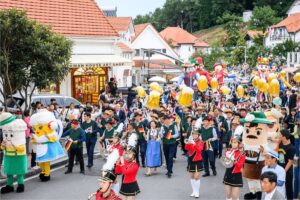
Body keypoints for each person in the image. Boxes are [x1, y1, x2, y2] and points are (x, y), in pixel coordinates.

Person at [115, 136, 140, 200]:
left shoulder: (135, 165)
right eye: (126, 153)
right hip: (124, 185)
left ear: (134, 155)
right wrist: (117, 163)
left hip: (131, 185)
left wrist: (122, 163)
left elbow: (126, 172)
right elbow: (118, 172)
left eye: (129, 153)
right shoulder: (125, 162)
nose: (127, 155)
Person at [185, 131, 204, 198]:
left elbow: (199, 150)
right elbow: (186, 148)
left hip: (198, 160)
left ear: (198, 135)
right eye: (193, 134)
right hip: (191, 160)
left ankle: (197, 191)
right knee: (192, 176)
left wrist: (194, 144)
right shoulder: (191, 140)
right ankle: (194, 191)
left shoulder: (201, 142)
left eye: (196, 134)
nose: (194, 135)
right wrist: (188, 143)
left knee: (196, 176)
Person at [278, 129, 295, 200]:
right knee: (280, 188)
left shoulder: (291, 148)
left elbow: (290, 162)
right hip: (279, 169)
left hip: (287, 172)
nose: (279, 137)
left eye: (280, 136)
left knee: (288, 189)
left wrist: (283, 172)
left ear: (284, 137)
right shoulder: (281, 144)